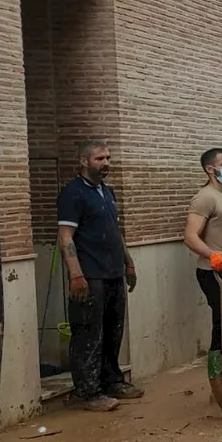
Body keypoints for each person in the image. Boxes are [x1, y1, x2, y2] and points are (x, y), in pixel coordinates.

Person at [56, 140, 143, 412]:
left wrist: (128, 263)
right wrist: (76, 275)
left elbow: (115, 232)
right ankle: (88, 391)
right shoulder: (73, 193)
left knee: (113, 330)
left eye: (108, 158)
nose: (106, 163)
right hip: (89, 275)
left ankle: (112, 380)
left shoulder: (107, 192)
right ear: (84, 162)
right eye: (99, 159)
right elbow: (65, 236)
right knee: (88, 334)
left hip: (114, 271)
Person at [183, 148, 222, 360]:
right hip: (214, 271)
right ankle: (219, 369)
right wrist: (214, 256)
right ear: (210, 169)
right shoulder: (205, 198)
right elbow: (190, 236)